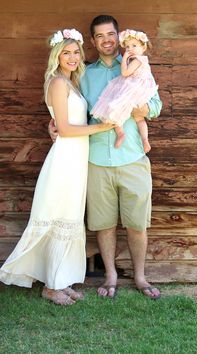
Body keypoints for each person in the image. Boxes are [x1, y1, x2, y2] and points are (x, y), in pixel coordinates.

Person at [49, 15, 162, 299]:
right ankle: (110, 275)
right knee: (103, 223)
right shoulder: (84, 73)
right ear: (93, 41)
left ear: (118, 36)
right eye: (100, 36)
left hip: (133, 156)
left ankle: (139, 276)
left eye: (111, 34)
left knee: (137, 223)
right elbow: (70, 104)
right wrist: (54, 124)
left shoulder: (136, 65)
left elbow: (156, 105)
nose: (107, 40)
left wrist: (142, 111)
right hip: (96, 158)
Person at [0, 28, 114, 305]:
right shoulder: (58, 83)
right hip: (65, 159)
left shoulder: (70, 81)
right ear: (57, 55)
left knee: (70, 219)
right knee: (58, 216)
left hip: (76, 159)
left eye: (76, 52)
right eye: (67, 52)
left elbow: (61, 123)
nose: (73, 57)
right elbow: (63, 128)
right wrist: (101, 127)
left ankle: (59, 281)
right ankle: (50, 287)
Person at [91, 29, 157, 153]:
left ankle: (121, 133)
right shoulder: (139, 60)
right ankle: (144, 139)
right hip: (138, 87)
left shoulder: (137, 60)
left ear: (143, 47)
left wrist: (124, 58)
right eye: (127, 47)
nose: (130, 49)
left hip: (134, 88)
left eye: (134, 46)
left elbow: (125, 73)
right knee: (139, 118)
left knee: (115, 107)